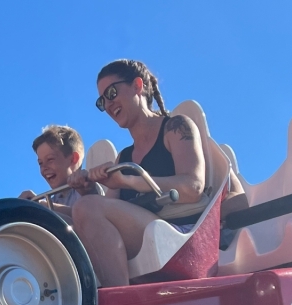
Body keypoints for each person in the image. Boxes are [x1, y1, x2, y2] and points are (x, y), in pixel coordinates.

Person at [68, 59, 240, 287]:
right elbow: (105, 214)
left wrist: (129, 181)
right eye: (102, 101)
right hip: (151, 234)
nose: (108, 104)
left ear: (138, 86)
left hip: (186, 239)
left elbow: (193, 188)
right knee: (64, 221)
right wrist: (88, 190)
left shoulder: (176, 127)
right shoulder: (125, 157)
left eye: (111, 93)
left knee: (86, 208)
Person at [19, 125, 89, 224]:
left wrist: (40, 206)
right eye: (40, 163)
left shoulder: (88, 186)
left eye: (50, 159)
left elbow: (86, 217)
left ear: (73, 159)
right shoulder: (53, 200)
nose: (44, 168)